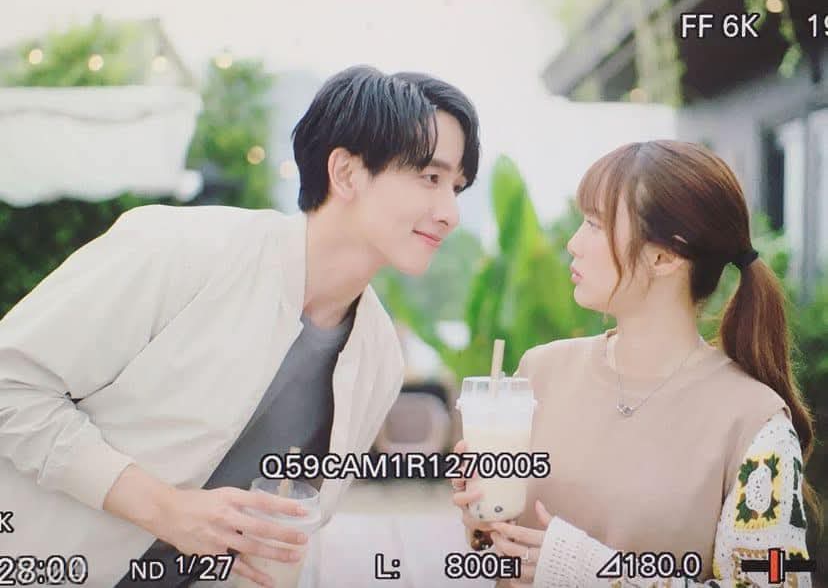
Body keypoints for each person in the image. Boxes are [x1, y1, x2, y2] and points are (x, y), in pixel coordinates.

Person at [0, 65, 480, 587]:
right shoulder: (180, 248)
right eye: (431, 178)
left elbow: (288, 528)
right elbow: (11, 384)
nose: (450, 213)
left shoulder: (378, 358)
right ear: (345, 172)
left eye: (456, 187)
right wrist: (164, 509)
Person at [450, 140, 821, 587]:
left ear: (664, 256)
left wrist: (595, 573)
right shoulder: (539, 373)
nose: (573, 243)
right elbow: (501, 553)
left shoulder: (754, 421)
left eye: (595, 224)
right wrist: (482, 521)